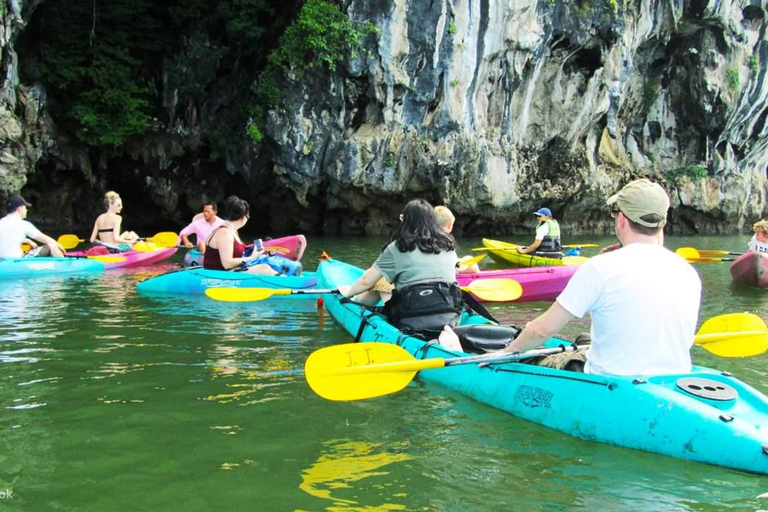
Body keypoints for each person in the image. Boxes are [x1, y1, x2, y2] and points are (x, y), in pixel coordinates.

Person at [498, 179, 701, 377]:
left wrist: (506, 353)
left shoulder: (600, 267)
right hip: (674, 377)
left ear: (621, 219)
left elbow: (541, 331)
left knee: (530, 359)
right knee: (584, 339)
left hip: (610, 380)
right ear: (662, 221)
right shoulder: (688, 272)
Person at [339, 199, 462, 336]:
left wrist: (347, 293)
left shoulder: (398, 247)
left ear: (406, 222)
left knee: (380, 281)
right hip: (449, 317)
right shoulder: (449, 245)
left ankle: (356, 303)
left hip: (410, 318)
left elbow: (366, 281)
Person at [203, 195, 277, 275]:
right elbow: (227, 264)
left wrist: (266, 254)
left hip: (231, 270)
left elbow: (240, 255)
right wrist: (252, 257)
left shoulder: (232, 230)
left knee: (266, 262)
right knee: (264, 268)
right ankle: (289, 284)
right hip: (219, 274)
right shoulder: (224, 233)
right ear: (243, 217)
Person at [0, 194, 66, 258]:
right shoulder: (24, 224)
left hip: (2, 261)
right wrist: (60, 246)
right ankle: (63, 264)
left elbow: (9, 237)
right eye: (25, 208)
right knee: (52, 245)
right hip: (17, 260)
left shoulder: (1, 222)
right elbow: (47, 240)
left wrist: (27, 240)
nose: (26, 210)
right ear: (20, 209)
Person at [435, 205, 480, 273]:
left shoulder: (423, 239)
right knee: (473, 266)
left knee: (468, 258)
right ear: (449, 225)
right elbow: (453, 266)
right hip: (447, 270)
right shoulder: (446, 240)